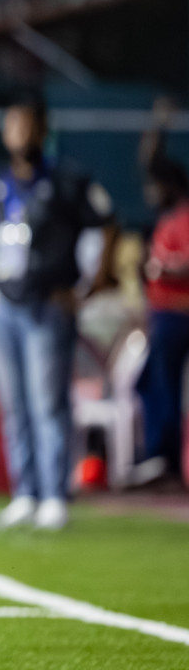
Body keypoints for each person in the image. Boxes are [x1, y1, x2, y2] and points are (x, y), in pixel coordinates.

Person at [0, 98, 119, 530]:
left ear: (43, 131)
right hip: (3, 306)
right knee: (14, 405)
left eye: (29, 127)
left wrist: (92, 284)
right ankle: (25, 492)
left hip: (48, 305)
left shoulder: (67, 180)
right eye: (14, 127)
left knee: (48, 403)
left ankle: (55, 494)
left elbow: (108, 223)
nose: (22, 136)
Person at [135, 99, 189, 487]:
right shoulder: (166, 220)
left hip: (178, 313)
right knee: (148, 383)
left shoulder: (183, 216)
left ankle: (164, 458)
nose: (150, 192)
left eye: (157, 186)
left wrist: (161, 270)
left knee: (163, 385)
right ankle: (160, 458)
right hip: (161, 312)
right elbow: (148, 162)